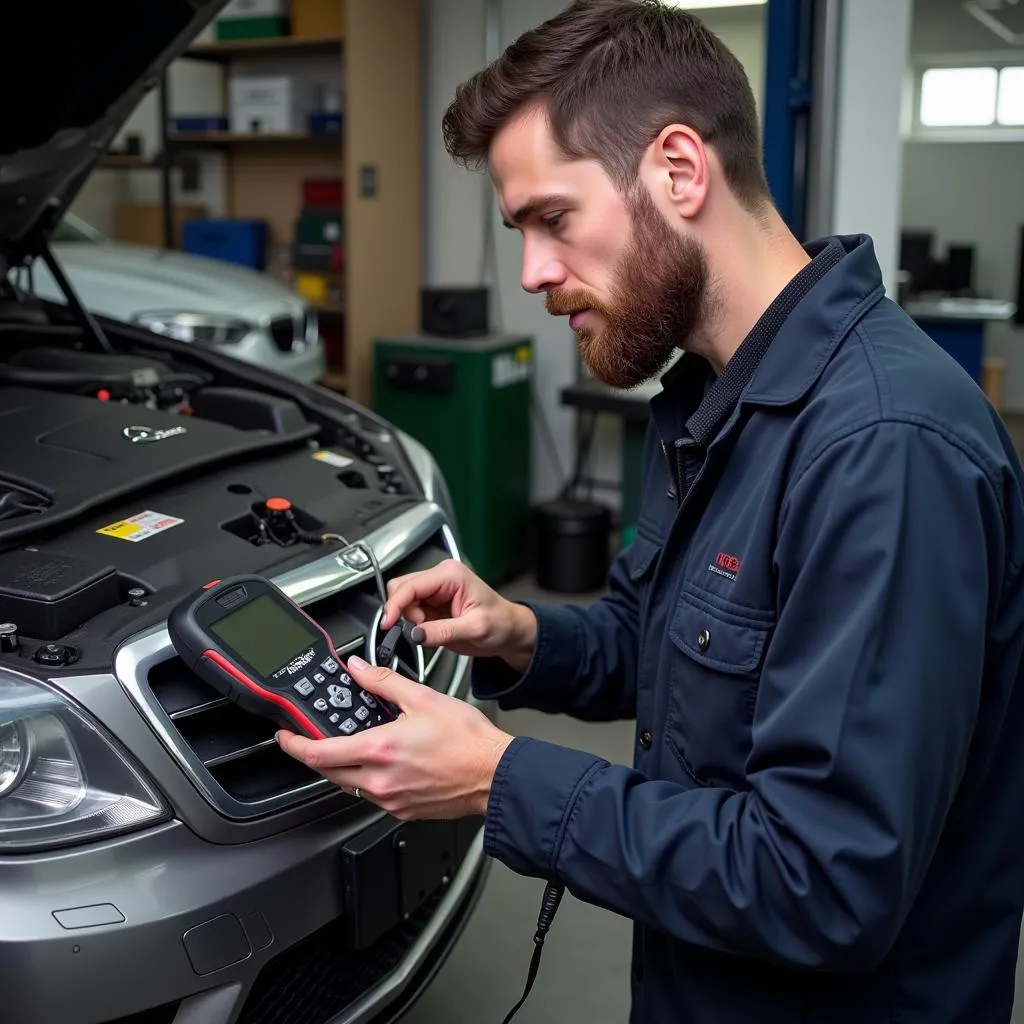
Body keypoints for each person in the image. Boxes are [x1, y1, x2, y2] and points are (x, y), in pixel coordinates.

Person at [276, 0, 1024, 1020]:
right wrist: (521, 632)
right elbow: (662, 644)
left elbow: (825, 881)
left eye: (552, 219)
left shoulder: (885, 450)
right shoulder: (703, 401)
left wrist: (499, 778)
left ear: (677, 170)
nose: (534, 273)